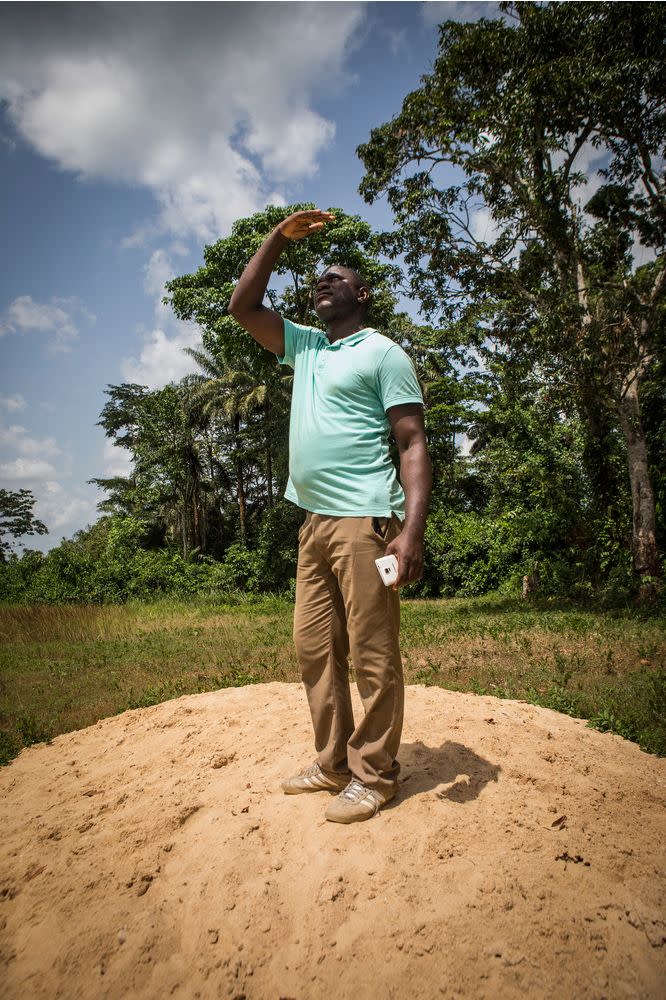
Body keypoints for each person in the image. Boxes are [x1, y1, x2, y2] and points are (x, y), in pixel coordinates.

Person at [228, 208, 432, 824]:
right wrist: (277, 239)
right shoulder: (306, 345)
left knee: (372, 655)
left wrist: (411, 532)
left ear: (362, 295)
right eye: (318, 277)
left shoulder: (383, 352)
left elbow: (413, 443)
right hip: (313, 524)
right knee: (315, 649)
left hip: (365, 520)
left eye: (336, 277)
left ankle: (375, 775)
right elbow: (243, 305)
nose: (323, 282)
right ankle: (333, 763)